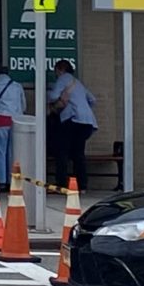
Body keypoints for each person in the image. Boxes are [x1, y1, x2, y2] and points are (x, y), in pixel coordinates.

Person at [48, 56, 98, 190]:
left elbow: (52, 96)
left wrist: (55, 99)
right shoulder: (78, 83)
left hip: (72, 119)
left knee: (62, 151)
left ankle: (62, 183)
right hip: (87, 121)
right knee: (78, 153)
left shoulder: (63, 78)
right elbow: (93, 100)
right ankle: (82, 185)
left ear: (60, 69)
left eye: (56, 71)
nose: (56, 74)